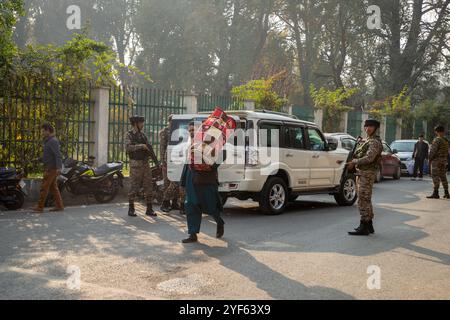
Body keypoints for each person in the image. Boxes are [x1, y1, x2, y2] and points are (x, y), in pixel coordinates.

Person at [347, 119, 383, 236]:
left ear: (376, 128)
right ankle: (368, 224)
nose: (368, 129)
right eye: (366, 126)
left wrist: (355, 161)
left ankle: (364, 225)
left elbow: (369, 158)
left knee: (363, 200)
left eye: (371, 127)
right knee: (365, 199)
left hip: (367, 174)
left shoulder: (374, 142)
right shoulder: (367, 141)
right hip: (362, 173)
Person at [125, 115, 159, 217]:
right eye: (141, 123)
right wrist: (141, 146)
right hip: (135, 165)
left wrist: (156, 162)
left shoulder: (143, 136)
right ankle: (131, 209)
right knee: (133, 186)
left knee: (148, 186)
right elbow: (128, 148)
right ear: (136, 124)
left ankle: (149, 208)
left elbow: (149, 149)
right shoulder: (129, 135)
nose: (142, 125)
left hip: (145, 164)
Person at [32, 123, 64, 213]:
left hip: (51, 168)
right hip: (50, 167)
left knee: (44, 187)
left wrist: (58, 168)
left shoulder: (53, 141)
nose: (42, 133)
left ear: (48, 131)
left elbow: (58, 155)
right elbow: (48, 155)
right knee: (54, 188)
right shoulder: (49, 141)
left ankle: (40, 207)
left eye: (43, 131)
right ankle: (59, 206)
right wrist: (39, 159)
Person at [159, 116, 181, 213]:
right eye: (172, 121)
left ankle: (175, 203)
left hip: (177, 159)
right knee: (168, 183)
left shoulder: (178, 130)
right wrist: (163, 161)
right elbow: (162, 147)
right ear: (169, 121)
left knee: (176, 182)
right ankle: (165, 203)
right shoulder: (165, 131)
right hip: (168, 161)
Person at [427, 125, 449, 199]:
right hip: (444, 160)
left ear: (437, 132)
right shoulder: (446, 140)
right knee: (443, 176)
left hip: (436, 161)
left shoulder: (437, 140)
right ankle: (447, 192)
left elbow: (433, 151)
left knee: (435, 176)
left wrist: (429, 159)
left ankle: (436, 193)